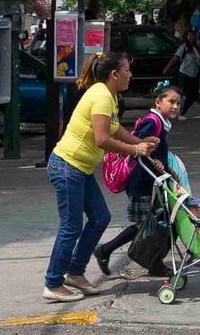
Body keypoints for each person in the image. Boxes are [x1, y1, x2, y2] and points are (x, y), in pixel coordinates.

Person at [43, 52, 158, 303]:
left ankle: (75, 272)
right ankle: (53, 282)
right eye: (127, 69)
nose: (131, 74)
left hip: (79, 169)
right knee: (71, 226)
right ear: (114, 74)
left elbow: (114, 128)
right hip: (67, 166)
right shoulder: (101, 96)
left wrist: (140, 142)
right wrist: (134, 150)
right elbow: (102, 139)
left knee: (100, 217)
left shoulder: (108, 95)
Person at [94, 82, 181, 276]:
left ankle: (150, 261)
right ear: (158, 102)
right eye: (171, 102)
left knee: (154, 222)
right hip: (141, 182)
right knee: (147, 225)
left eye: (178, 103)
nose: (175, 106)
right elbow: (137, 146)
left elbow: (153, 151)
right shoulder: (152, 121)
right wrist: (152, 157)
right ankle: (110, 251)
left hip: (151, 181)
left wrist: (164, 167)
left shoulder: (161, 123)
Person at [163, 30, 200, 118]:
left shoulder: (196, 48)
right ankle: (179, 113)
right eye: (189, 35)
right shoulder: (184, 47)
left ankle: (181, 111)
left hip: (194, 73)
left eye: (193, 35)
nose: (191, 37)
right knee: (184, 93)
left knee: (194, 94)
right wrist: (168, 67)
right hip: (184, 73)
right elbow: (175, 58)